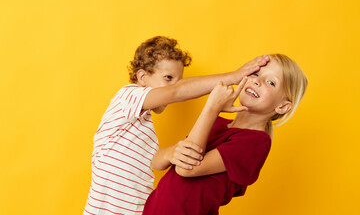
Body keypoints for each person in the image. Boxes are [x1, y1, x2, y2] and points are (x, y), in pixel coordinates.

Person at [83, 36, 270, 215]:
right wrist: (234, 76)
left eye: (179, 80)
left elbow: (156, 162)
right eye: (168, 78)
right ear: (142, 77)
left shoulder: (144, 131)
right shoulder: (127, 96)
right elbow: (176, 92)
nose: (175, 85)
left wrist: (171, 153)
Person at [143, 54, 308, 215]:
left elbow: (186, 169)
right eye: (256, 74)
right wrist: (170, 153)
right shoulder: (217, 122)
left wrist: (212, 107)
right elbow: (157, 161)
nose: (257, 80)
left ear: (282, 106)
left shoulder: (255, 142)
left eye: (271, 82)